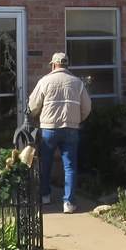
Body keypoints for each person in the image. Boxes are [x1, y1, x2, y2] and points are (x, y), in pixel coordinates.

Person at [27, 52, 92, 214]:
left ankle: (45, 196)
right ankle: (68, 202)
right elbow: (87, 107)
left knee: (46, 163)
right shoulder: (77, 82)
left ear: (53, 65)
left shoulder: (44, 81)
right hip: (71, 128)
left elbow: (33, 106)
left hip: (49, 128)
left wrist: (33, 117)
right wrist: (77, 119)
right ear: (66, 65)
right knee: (70, 166)